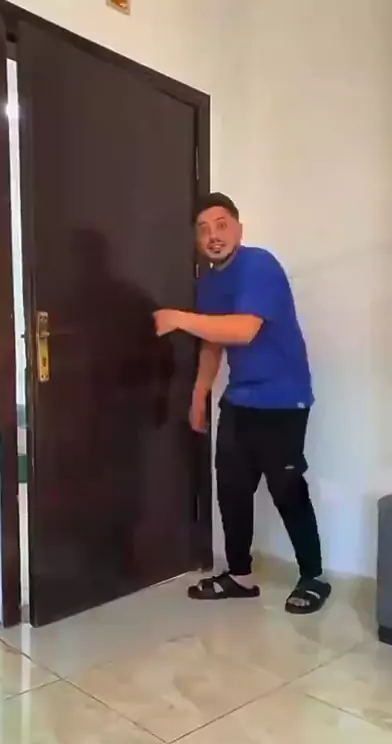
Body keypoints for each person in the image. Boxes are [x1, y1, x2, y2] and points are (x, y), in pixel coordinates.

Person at [154, 192, 331, 614]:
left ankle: (313, 576)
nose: (213, 235)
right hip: (240, 398)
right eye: (203, 229)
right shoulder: (208, 283)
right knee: (232, 488)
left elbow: (243, 330)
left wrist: (178, 318)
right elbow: (213, 341)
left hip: (283, 398)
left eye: (221, 225)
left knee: (286, 488)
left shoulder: (259, 265)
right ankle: (239, 575)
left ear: (238, 228)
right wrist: (199, 394)